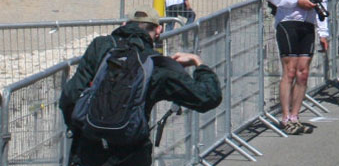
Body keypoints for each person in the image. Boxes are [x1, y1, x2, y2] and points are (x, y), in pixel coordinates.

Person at [60, 11, 222, 166]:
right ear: (158, 30)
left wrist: (81, 132)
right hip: (132, 154)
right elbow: (208, 97)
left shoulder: (100, 47)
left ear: (124, 24)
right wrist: (198, 63)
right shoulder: (157, 64)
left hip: (91, 150)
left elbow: (70, 95)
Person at [263, 0, 330, 132]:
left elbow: (324, 2)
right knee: (290, 71)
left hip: (308, 25)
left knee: (303, 73)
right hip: (288, 22)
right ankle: (285, 118)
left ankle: (295, 115)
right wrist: (296, 2)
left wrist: (324, 32)